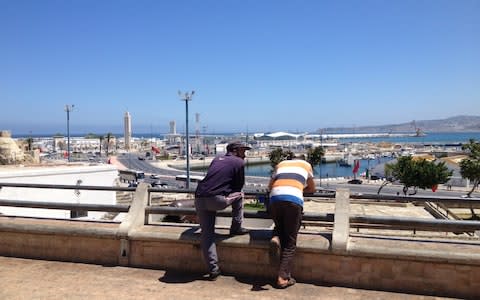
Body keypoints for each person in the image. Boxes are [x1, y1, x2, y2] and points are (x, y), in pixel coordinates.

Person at [194, 141, 251, 280]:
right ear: (236, 151)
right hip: (217, 200)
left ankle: (214, 270)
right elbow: (238, 186)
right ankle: (236, 227)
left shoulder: (216, 159)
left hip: (199, 197)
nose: (245, 154)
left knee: (207, 235)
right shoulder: (238, 162)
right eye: (243, 151)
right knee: (240, 194)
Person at [268, 154, 315, 289]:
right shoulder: (306, 165)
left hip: (275, 199)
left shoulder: (281, 164)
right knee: (290, 241)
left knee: (280, 226)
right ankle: (283, 278)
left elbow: (270, 186)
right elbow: (312, 188)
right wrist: (299, 189)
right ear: (303, 159)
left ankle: (276, 237)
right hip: (293, 200)